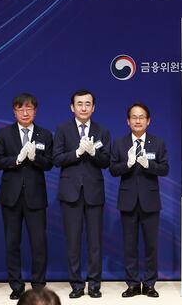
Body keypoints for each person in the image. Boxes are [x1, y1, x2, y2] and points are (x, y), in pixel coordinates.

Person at [0, 93, 53, 299]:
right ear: (14, 111)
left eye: (29, 108)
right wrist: (17, 160)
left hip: (35, 197)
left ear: (35, 111)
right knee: (12, 243)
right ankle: (16, 286)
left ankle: (38, 285)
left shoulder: (45, 134)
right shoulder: (4, 133)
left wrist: (35, 158)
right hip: (11, 197)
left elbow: (49, 163)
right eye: (21, 109)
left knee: (39, 244)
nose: (25, 112)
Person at [52, 89, 110, 299]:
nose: (84, 108)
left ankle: (94, 285)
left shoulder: (102, 130)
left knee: (95, 242)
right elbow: (56, 159)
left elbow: (106, 161)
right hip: (71, 193)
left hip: (94, 192)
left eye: (87, 104)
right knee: (73, 241)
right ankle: (76, 284)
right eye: (79, 104)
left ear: (93, 108)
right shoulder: (63, 129)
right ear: (72, 107)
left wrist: (93, 153)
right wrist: (76, 153)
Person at [110, 103, 169, 298]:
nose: (137, 120)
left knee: (151, 245)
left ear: (148, 121)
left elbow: (164, 169)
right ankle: (133, 284)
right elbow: (113, 170)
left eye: (141, 117)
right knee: (129, 245)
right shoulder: (119, 143)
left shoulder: (157, 143)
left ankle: (150, 284)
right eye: (134, 117)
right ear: (128, 121)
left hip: (150, 201)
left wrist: (148, 164)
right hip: (128, 201)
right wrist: (127, 164)